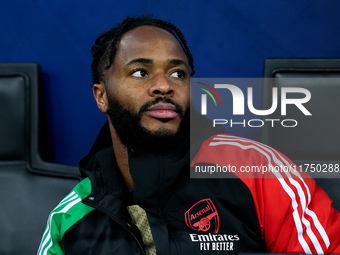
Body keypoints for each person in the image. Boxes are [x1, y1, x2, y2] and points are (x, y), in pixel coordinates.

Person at [37, 16, 340, 255]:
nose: (164, 86)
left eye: (178, 73)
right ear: (101, 96)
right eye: (141, 72)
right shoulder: (70, 217)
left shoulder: (259, 171)